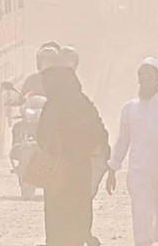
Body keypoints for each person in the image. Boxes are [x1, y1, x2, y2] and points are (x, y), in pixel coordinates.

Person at [36, 66, 110, 246]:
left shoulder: (52, 106)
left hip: (56, 168)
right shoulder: (83, 103)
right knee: (79, 208)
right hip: (80, 167)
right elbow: (99, 132)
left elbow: (41, 135)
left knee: (56, 214)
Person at [106, 57, 158, 246]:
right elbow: (122, 141)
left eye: (148, 77)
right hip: (139, 171)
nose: (143, 81)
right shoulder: (130, 108)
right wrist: (113, 168)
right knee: (141, 212)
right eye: (141, 77)